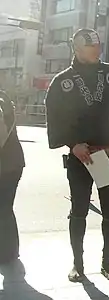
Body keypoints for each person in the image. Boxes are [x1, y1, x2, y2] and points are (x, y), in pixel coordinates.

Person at [45, 28, 109, 282]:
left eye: (99, 47)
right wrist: (72, 144)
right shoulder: (62, 81)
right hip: (80, 155)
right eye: (90, 48)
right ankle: (78, 264)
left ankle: (107, 262)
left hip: (108, 153)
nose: (97, 51)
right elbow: (55, 117)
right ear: (76, 49)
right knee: (79, 210)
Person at [0, 90, 25, 265]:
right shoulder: (3, 98)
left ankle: (7, 254)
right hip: (12, 163)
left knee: (3, 208)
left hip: (6, 165)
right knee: (5, 208)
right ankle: (10, 252)